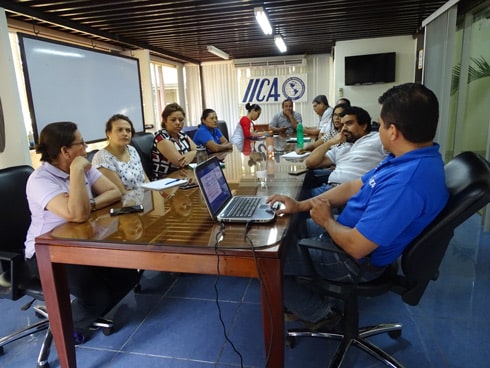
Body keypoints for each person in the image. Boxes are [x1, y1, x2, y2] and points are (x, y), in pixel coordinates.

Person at [267, 83, 449, 329]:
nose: (379, 130)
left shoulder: (407, 182)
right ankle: (307, 294)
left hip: (353, 260)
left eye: (381, 124)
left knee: (265, 261)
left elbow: (356, 247)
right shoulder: (406, 159)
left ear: (393, 131)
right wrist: (300, 206)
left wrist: (327, 221)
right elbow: (354, 186)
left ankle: (320, 313)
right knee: (288, 227)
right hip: (345, 236)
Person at [24, 121, 139, 341]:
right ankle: (68, 328)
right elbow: (77, 215)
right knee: (96, 296)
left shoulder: (84, 166)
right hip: (47, 251)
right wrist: (76, 171)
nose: (86, 148)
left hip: (80, 240)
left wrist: (89, 203)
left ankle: (77, 312)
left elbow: (115, 192)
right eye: (81, 144)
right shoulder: (40, 181)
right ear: (65, 151)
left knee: (127, 274)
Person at [304, 106, 388, 197]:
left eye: (349, 123)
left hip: (353, 194)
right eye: (343, 124)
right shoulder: (342, 146)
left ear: (364, 125)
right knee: (297, 196)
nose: (344, 128)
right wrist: (330, 142)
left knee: (296, 200)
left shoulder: (377, 139)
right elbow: (309, 162)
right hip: (329, 189)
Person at [92, 114, 148, 194]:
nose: (125, 133)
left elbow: (145, 180)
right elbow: (121, 193)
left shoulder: (132, 150)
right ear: (108, 133)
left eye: (128, 130)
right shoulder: (102, 158)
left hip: (144, 198)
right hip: (124, 204)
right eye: (119, 130)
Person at [151, 103, 197, 180]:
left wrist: (193, 153)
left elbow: (200, 151)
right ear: (165, 121)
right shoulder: (161, 137)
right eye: (173, 120)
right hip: (165, 181)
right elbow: (180, 163)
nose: (178, 123)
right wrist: (194, 153)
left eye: (181, 120)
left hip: (184, 176)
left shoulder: (182, 134)